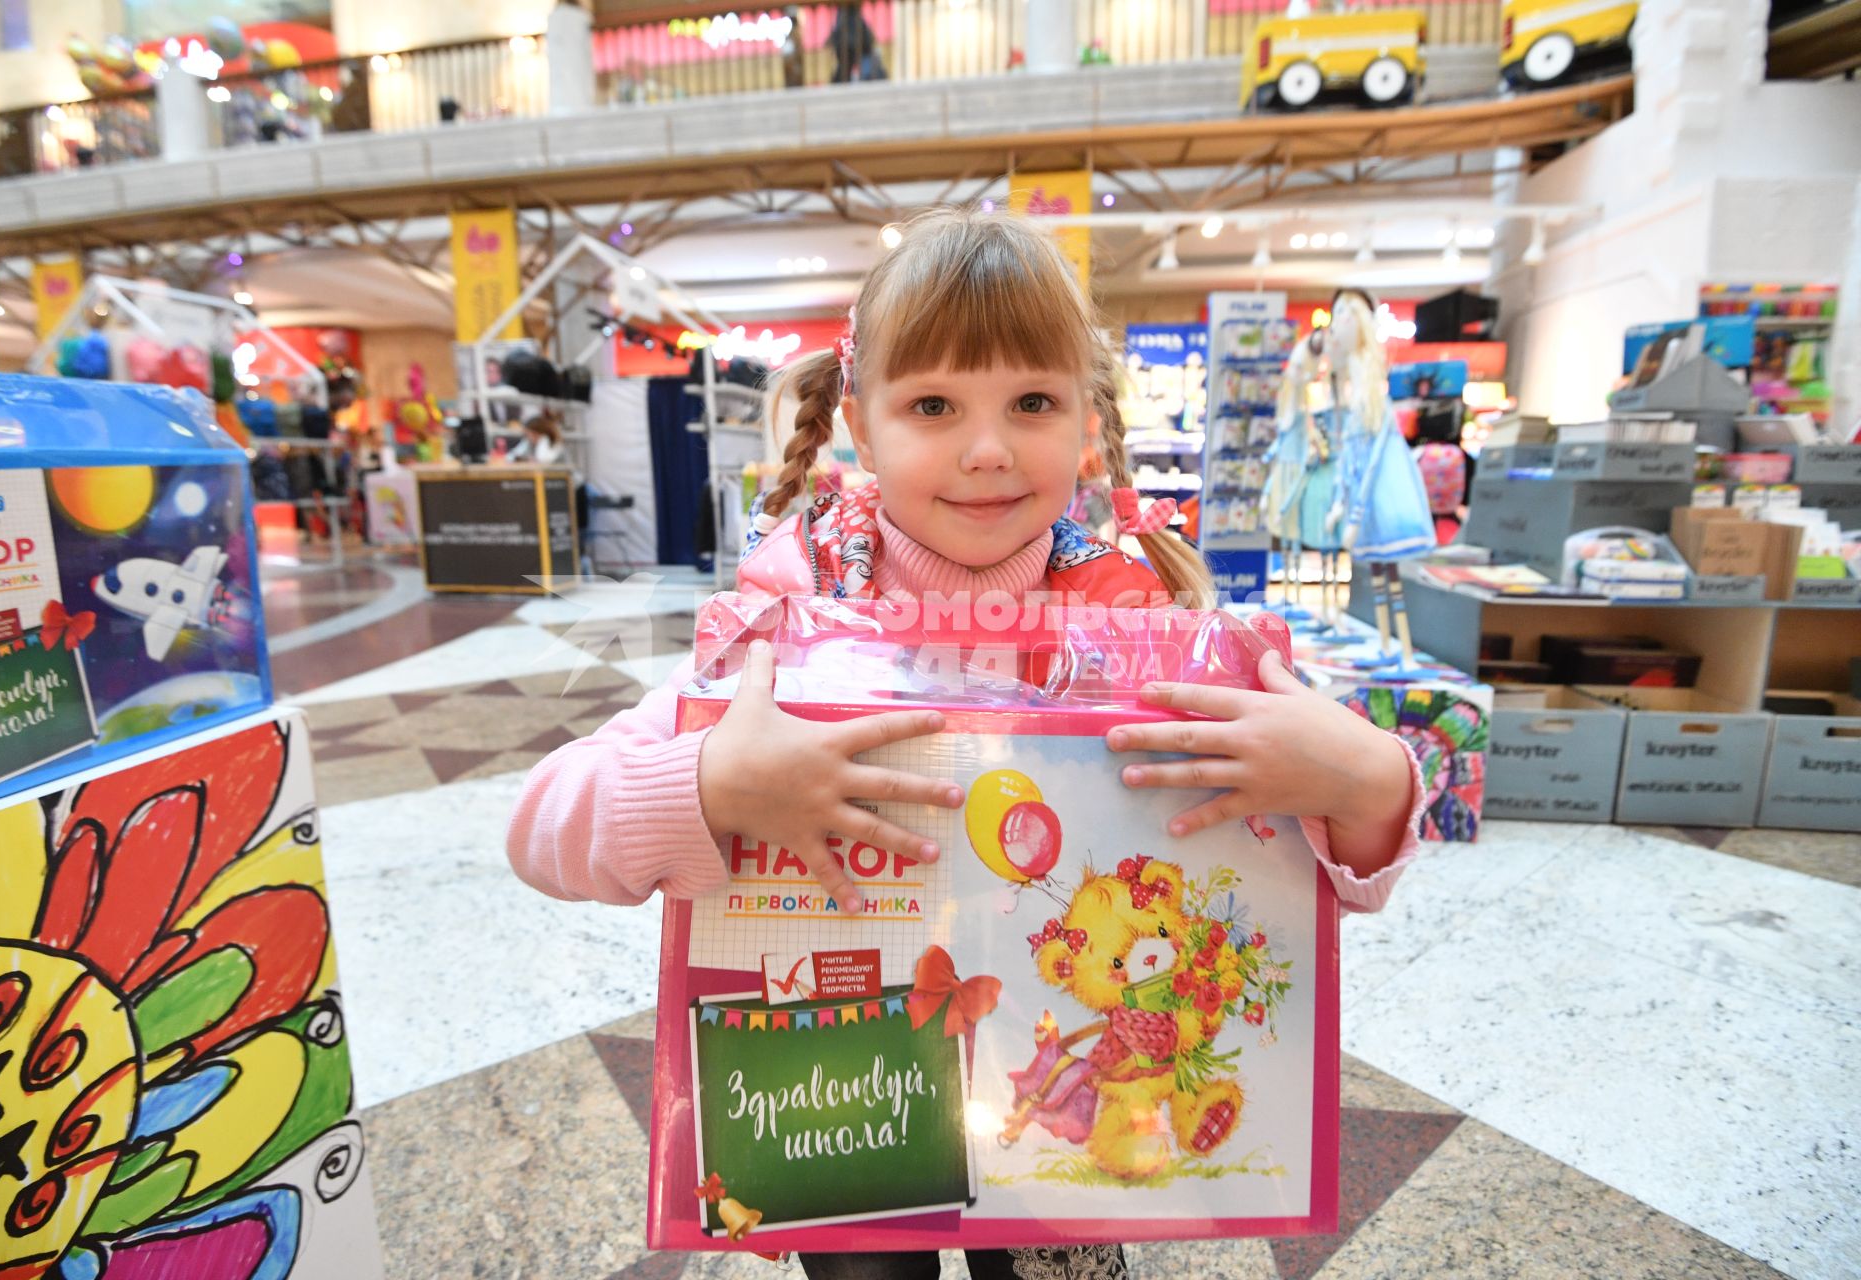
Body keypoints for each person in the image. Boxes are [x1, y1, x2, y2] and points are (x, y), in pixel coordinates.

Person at [507, 207, 1421, 1280]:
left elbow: (1326, 861)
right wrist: (712, 782)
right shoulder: (781, 628)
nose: (987, 449)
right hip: (851, 1064)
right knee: (866, 1266)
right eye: (933, 403)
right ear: (858, 417)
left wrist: (1367, 775)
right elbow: (541, 825)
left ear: (1086, 416)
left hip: (1066, 1045)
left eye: (1031, 401)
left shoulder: (1147, 626)